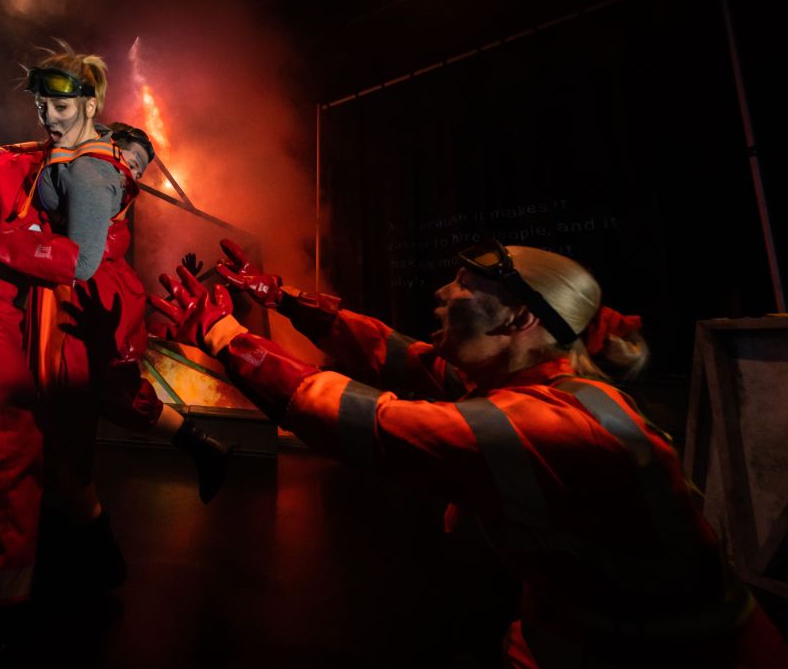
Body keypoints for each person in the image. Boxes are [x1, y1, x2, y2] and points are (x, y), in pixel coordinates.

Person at [148, 238, 788, 668]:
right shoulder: (537, 381)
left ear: (519, 321)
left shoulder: (553, 424)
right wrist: (283, 299)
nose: (441, 295)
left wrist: (225, 335)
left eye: (462, 285)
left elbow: (372, 424)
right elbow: (396, 353)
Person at [0, 42, 231, 612]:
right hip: (21, 299)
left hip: (59, 299)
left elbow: (79, 261)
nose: (47, 116)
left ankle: (34, 585)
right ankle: (48, 576)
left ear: (90, 107)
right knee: (56, 433)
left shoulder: (90, 174)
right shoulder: (66, 157)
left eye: (60, 106)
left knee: (64, 431)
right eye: (42, 105)